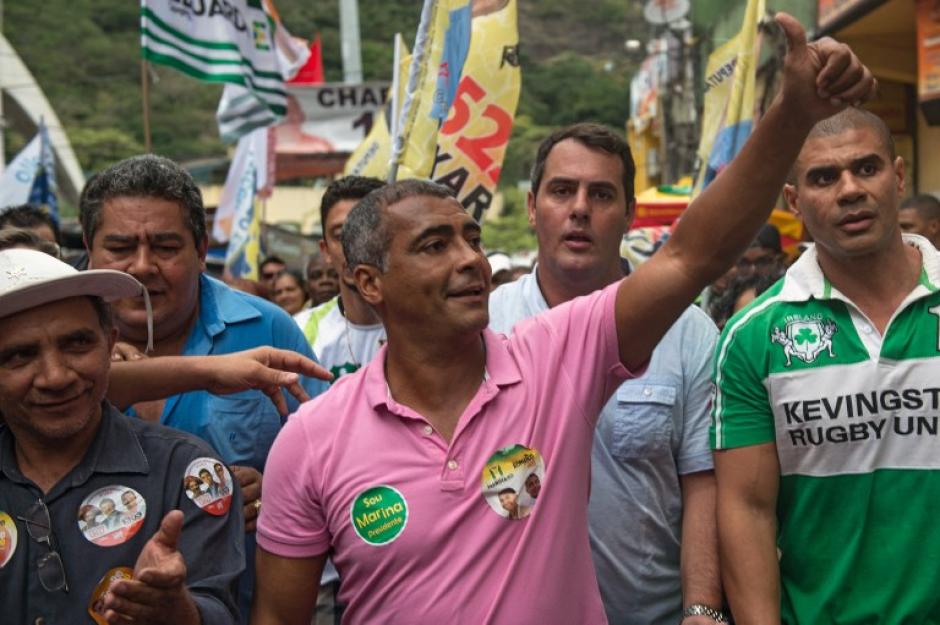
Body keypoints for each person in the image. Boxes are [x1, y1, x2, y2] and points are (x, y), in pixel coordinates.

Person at [251, 21, 875, 622]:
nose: (470, 258)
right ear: (369, 283)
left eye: (471, 238)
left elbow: (692, 254)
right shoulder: (312, 439)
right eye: (435, 245)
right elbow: (281, 615)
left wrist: (793, 113)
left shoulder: (553, 357)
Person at [711, 102, 940, 623]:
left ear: (898, 176)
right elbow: (747, 510)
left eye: (866, 167)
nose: (850, 189)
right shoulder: (752, 338)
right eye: (823, 177)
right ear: (794, 199)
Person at [487, 122, 723, 625]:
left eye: (600, 194)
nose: (579, 209)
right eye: (561, 191)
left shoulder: (687, 331)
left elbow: (702, 480)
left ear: (629, 214)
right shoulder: (482, 326)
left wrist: (702, 609)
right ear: (532, 207)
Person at [79, 154, 327, 621]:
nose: (142, 267)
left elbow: (338, 464)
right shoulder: (57, 345)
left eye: (166, 247)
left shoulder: (267, 329)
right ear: (88, 248)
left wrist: (279, 492)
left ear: (201, 248)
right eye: (120, 247)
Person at [0, 248, 243, 625]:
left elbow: (219, 609)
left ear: (110, 343)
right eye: (20, 356)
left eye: (77, 344)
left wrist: (178, 612)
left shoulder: (186, 471)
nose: (56, 377)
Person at [295, 176, 387, 381]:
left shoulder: (427, 328)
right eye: (340, 235)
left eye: (367, 231)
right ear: (325, 250)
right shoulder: (302, 333)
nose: (353, 245)